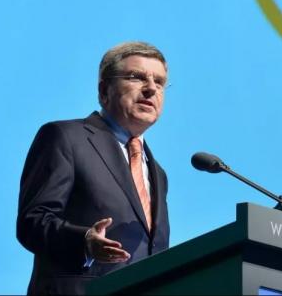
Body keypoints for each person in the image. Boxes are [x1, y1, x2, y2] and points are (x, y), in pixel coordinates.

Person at [17, 41, 171, 295]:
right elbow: (32, 221)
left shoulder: (158, 174)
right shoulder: (66, 137)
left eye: (160, 82)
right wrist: (85, 241)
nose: (151, 88)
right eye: (136, 77)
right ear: (104, 90)